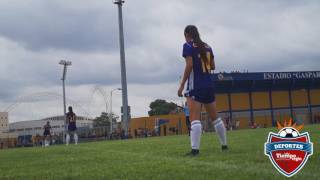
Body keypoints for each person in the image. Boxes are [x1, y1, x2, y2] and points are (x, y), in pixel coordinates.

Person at [178, 25, 228, 156]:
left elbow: (189, 65)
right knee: (215, 118)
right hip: (208, 85)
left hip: (196, 86)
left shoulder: (187, 46)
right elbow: (212, 66)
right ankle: (224, 145)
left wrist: (182, 84)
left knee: (194, 119)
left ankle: (195, 150)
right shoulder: (207, 46)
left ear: (187, 34)